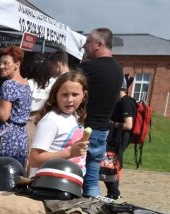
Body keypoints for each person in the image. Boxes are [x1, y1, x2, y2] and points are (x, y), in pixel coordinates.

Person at [78, 28, 124, 196]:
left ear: (99, 44)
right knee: (91, 179)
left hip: (84, 129)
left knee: (73, 176)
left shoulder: (87, 68)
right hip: (103, 130)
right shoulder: (118, 71)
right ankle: (92, 211)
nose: (84, 45)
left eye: (88, 41)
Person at [27, 70, 90, 177]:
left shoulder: (75, 116)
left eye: (75, 94)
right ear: (55, 95)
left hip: (69, 183)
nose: (69, 100)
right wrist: (70, 153)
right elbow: (34, 159)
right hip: (48, 185)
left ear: (84, 95)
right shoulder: (51, 121)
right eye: (64, 95)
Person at [103, 74, 137, 199]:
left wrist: (112, 124)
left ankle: (114, 194)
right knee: (109, 165)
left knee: (109, 165)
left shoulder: (126, 102)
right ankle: (113, 193)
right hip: (114, 139)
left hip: (118, 140)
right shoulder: (119, 102)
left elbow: (129, 125)